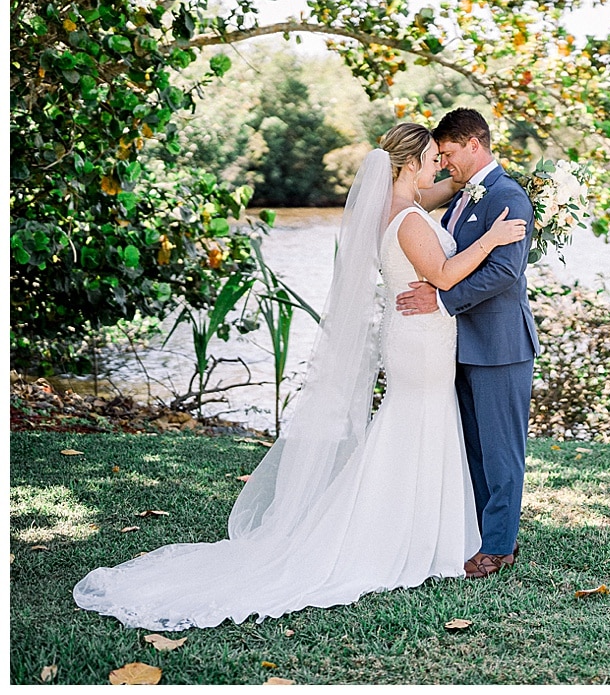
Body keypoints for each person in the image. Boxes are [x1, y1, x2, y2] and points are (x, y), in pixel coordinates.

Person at [72, 123, 526, 630]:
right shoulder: (411, 220)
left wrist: (489, 182)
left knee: (416, 428)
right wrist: (491, 238)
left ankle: (424, 529)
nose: (440, 167)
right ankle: (408, 536)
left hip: (416, 337)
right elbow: (442, 276)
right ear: (410, 164)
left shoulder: (390, 208)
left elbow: (450, 189)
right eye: (432, 159)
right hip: (421, 341)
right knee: (417, 425)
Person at [395, 108, 539, 580]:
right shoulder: (461, 197)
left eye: (450, 153)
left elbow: (504, 272)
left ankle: (499, 548)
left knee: (502, 453)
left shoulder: (508, 197)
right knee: (474, 448)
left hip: (500, 344)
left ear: (475, 144)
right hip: (459, 344)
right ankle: (478, 534)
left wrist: (440, 297)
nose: (445, 161)